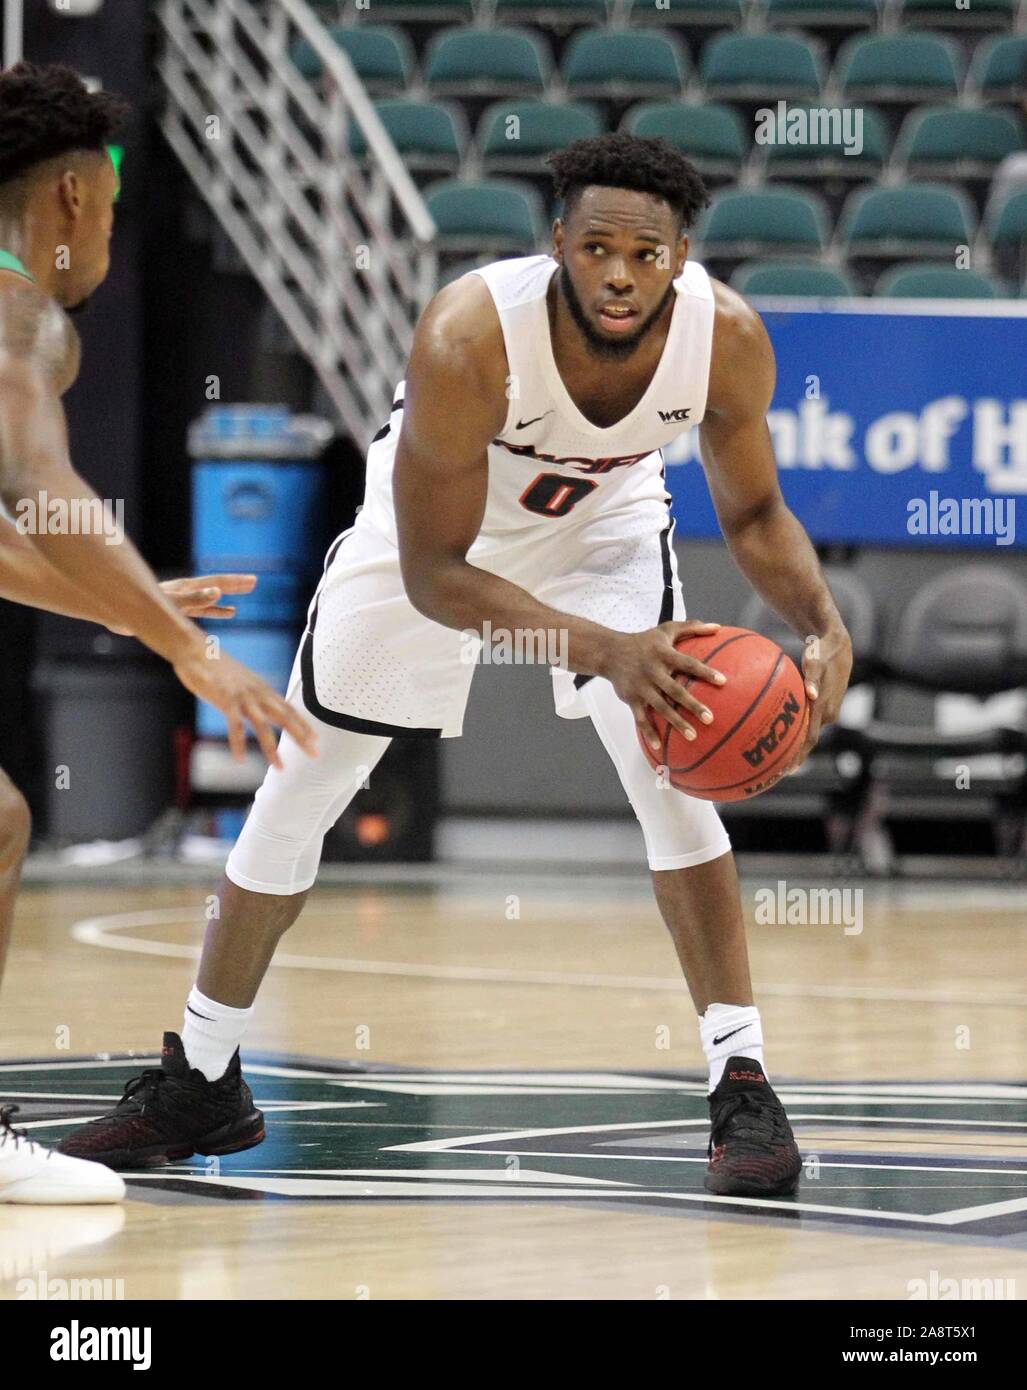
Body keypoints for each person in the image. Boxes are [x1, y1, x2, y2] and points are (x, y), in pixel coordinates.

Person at [61, 134, 853, 1198]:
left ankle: (740, 1078)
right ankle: (203, 1075)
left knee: (668, 776)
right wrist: (599, 651)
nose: (621, 275)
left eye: (647, 254)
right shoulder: (469, 333)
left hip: (604, 533)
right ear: (559, 243)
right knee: (301, 786)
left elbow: (754, 511)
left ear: (680, 256)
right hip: (429, 545)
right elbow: (437, 575)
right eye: (598, 248)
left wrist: (820, 624)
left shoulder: (728, 342)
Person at [0, 63, 316, 1203]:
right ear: (78, 200)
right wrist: (185, 648)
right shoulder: (25, 314)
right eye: (116, 209)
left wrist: (124, 602)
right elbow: (40, 486)